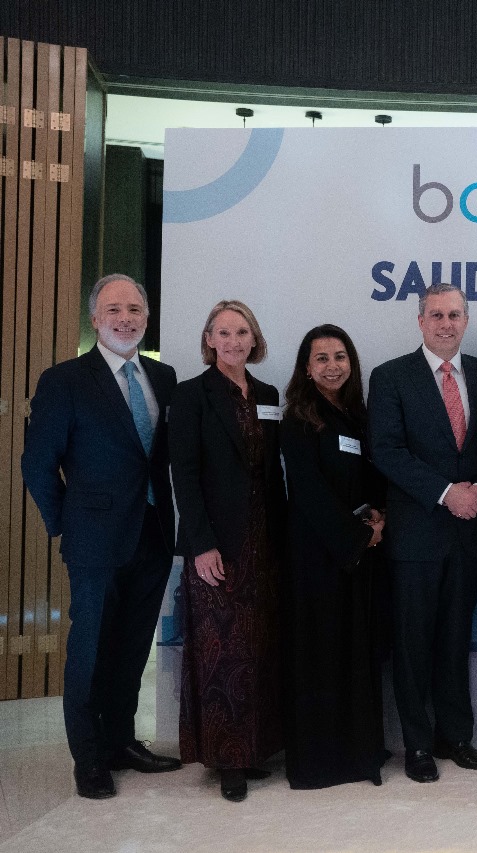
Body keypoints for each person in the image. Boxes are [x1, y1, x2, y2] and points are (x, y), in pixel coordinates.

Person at [21, 274, 182, 799]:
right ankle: (89, 758)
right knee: (90, 651)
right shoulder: (64, 380)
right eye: (114, 309)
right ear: (94, 319)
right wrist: (66, 524)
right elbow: (37, 464)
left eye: (135, 309)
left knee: (132, 647)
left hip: (153, 535)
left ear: (147, 318)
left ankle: (121, 742)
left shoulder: (163, 377)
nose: (125, 318)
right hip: (93, 541)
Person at [368, 283, 477, 784]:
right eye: (436, 315)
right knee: (412, 645)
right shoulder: (390, 376)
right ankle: (418, 744)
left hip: (470, 534)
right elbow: (385, 450)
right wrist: (447, 493)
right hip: (416, 536)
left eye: (454, 315)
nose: (446, 324)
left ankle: (456, 737)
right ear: (420, 321)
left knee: (455, 640)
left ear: (466, 320)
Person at [169, 300, 287, 802]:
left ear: (254, 339)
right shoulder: (190, 395)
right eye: (224, 332)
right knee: (222, 649)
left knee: (259, 645)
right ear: (209, 340)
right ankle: (227, 759)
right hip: (217, 544)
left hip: (264, 539)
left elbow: (271, 470)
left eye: (242, 332)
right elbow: (184, 474)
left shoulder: (268, 394)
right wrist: (201, 544)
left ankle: (254, 748)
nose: (233, 341)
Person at [280, 324, 388, 789]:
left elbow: (370, 477)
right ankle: (321, 762)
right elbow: (308, 492)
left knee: (357, 652)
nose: (332, 366)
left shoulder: (358, 415)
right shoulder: (299, 420)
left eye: (340, 357)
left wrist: (379, 517)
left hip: (359, 554)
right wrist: (358, 536)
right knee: (320, 654)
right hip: (318, 556)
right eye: (321, 358)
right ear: (306, 368)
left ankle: (360, 752)